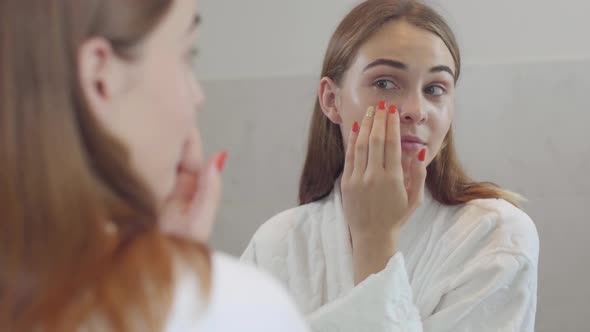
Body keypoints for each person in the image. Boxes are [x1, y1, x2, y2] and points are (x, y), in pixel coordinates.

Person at [0, 0, 309, 331]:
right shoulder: (242, 309)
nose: (198, 96)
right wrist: (178, 281)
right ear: (100, 76)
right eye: (187, 55)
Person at [241, 0, 539, 331]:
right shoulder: (274, 242)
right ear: (331, 100)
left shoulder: (498, 235)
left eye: (435, 89)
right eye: (385, 83)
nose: (416, 109)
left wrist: (375, 241)